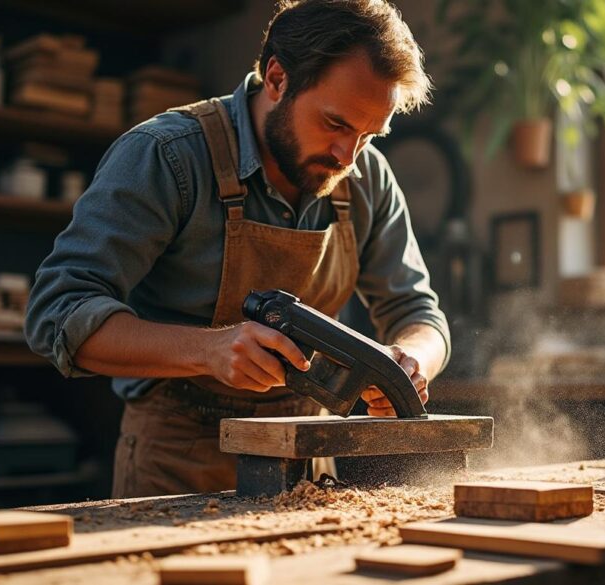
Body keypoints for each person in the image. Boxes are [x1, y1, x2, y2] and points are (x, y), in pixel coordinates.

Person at [25, 0, 450, 497]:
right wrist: (210, 350)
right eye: (335, 124)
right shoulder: (168, 156)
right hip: (178, 456)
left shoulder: (366, 176)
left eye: (368, 135)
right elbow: (57, 313)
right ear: (276, 78)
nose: (347, 156)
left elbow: (418, 310)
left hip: (305, 458)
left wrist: (412, 360)